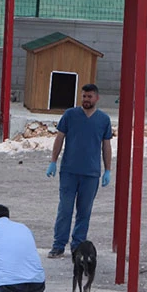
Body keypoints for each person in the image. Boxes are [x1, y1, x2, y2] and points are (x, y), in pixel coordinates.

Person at [45, 83, 112, 259]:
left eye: (89, 97)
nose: (86, 100)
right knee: (65, 210)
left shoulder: (103, 120)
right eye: (83, 96)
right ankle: (58, 245)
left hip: (91, 173)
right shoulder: (70, 115)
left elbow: (106, 145)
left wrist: (108, 170)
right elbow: (59, 138)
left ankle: (78, 246)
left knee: (84, 211)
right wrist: (53, 161)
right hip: (69, 171)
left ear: (96, 98)